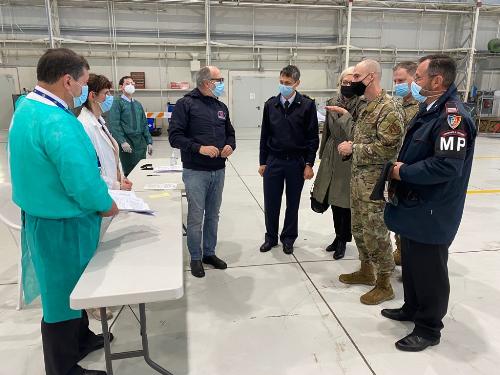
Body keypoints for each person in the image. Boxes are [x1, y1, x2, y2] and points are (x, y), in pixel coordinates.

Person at [9, 48, 118, 375]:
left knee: (75, 289)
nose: (84, 90)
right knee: (60, 298)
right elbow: (80, 179)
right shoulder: (57, 121)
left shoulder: (26, 108)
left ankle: (82, 340)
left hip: (47, 215)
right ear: (67, 80)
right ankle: (62, 367)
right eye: (83, 82)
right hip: (61, 223)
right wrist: (106, 204)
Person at [383, 55, 477, 352]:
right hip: (416, 203)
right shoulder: (429, 110)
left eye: (420, 77)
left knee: (430, 270)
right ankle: (412, 307)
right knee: (411, 262)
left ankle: (428, 327)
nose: (415, 82)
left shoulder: (453, 117)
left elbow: (447, 167)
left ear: (438, 81)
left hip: (433, 208)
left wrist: (403, 171)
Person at [337, 59, 404, 305]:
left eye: (356, 77)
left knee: (376, 232)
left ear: (371, 77)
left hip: (375, 184)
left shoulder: (388, 108)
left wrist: (354, 148)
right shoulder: (366, 105)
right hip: (358, 182)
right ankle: (366, 271)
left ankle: (384, 283)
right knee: (360, 229)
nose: (352, 81)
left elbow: (388, 148)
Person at [168, 66, 236, 278]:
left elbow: (230, 134)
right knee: (196, 216)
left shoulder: (221, 106)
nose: (222, 83)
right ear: (207, 82)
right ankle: (195, 257)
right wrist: (200, 148)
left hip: (218, 170)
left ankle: (209, 253)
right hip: (196, 171)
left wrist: (230, 146)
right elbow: (175, 137)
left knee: (213, 215)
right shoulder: (185, 104)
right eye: (219, 79)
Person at [78, 73, 133, 321]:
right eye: (106, 93)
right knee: (95, 252)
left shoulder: (99, 121)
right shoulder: (84, 126)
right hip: (102, 195)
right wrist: (114, 184)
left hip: (113, 189)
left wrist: (121, 179)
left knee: (105, 247)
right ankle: (92, 302)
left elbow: (110, 157)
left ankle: (101, 294)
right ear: (93, 96)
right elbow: (93, 170)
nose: (109, 97)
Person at [259, 65, 319, 255]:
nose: (284, 86)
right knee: (271, 202)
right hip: (274, 160)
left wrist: (309, 163)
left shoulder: (307, 106)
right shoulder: (271, 105)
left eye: (288, 83)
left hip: (296, 162)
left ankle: (288, 238)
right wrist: (263, 162)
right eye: (281, 82)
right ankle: (271, 237)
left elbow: (312, 138)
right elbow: (264, 135)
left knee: (292, 203)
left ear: (297, 83)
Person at [313, 66, 366, 260]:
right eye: (344, 82)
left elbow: (358, 133)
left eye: (351, 83)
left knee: (345, 202)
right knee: (333, 199)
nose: (347, 86)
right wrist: (321, 154)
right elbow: (326, 131)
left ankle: (344, 239)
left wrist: (345, 115)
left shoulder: (362, 105)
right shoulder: (331, 102)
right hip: (331, 154)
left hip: (349, 156)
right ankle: (337, 236)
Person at [391, 61, 420, 266]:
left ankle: (410, 258)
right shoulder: (397, 105)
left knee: (411, 220)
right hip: (396, 169)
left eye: (401, 80)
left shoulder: (421, 108)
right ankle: (401, 252)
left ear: (414, 80)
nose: (397, 85)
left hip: (411, 171)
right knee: (397, 215)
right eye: (395, 81)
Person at [108, 75, 153, 176]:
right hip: (127, 143)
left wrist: (149, 142)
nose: (131, 85)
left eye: (132, 84)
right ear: (121, 87)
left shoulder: (138, 104)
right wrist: (122, 141)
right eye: (127, 84)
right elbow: (114, 123)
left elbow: (144, 124)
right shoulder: (117, 103)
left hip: (140, 143)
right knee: (130, 172)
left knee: (142, 170)